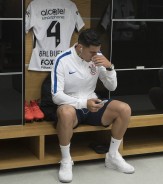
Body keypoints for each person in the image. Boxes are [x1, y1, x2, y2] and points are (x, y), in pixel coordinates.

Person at [51, 29, 134, 183]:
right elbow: (56, 96)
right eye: (92, 52)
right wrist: (83, 103)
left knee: (124, 109)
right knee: (65, 113)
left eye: (98, 50)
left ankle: (113, 156)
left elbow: (112, 87)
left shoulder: (98, 57)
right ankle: (66, 160)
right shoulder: (62, 59)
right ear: (80, 47)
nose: (96, 55)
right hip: (72, 106)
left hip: (93, 104)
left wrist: (110, 68)